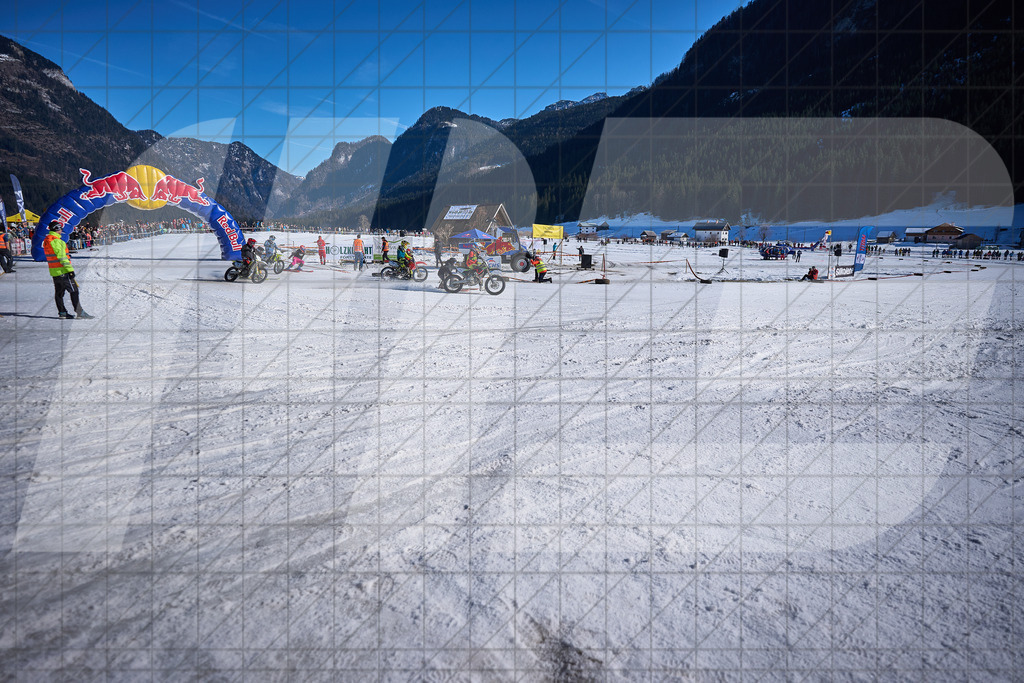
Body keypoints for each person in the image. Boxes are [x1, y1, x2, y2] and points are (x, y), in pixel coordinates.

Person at [42, 222, 93, 319]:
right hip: (63, 271)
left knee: (59, 293)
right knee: (74, 291)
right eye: (60, 229)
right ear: (57, 229)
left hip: (54, 271)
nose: (61, 231)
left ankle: (62, 312)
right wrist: (70, 270)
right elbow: (62, 257)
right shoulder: (56, 241)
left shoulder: (47, 241)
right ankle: (79, 312)